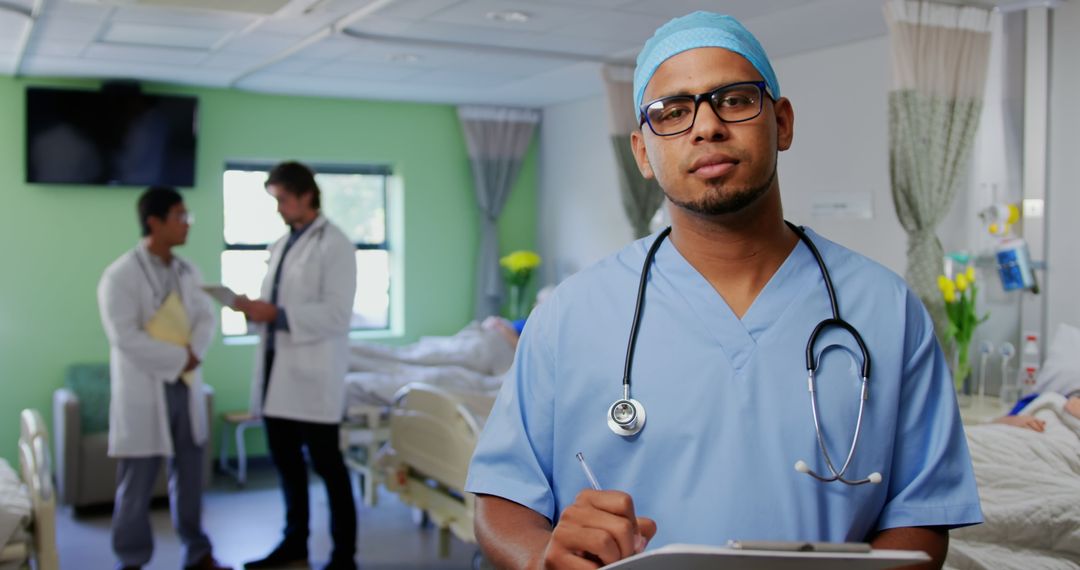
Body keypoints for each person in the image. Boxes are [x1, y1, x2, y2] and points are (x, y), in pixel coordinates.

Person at [465, 11, 982, 570]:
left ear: (781, 123)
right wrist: (543, 557)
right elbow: (501, 502)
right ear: (642, 152)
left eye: (734, 100)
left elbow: (922, 518)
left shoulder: (888, 308)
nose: (706, 126)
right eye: (673, 112)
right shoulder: (570, 314)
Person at [97, 187, 229, 570]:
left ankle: (198, 552)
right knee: (136, 485)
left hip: (185, 387)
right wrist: (179, 357)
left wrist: (194, 356)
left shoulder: (189, 272)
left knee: (189, 475)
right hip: (144, 389)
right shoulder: (120, 275)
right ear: (154, 221)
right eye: (179, 216)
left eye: (187, 216)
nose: (186, 224)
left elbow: (206, 318)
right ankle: (132, 559)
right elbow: (124, 336)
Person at [235, 162, 358, 570]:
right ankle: (294, 543)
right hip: (277, 375)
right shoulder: (283, 244)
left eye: (283, 199)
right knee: (286, 467)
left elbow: (338, 315)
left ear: (306, 195)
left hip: (313, 377)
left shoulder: (334, 244)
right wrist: (255, 311)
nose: (279, 209)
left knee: (329, 469)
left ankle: (343, 556)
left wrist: (279, 314)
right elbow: (279, 304)